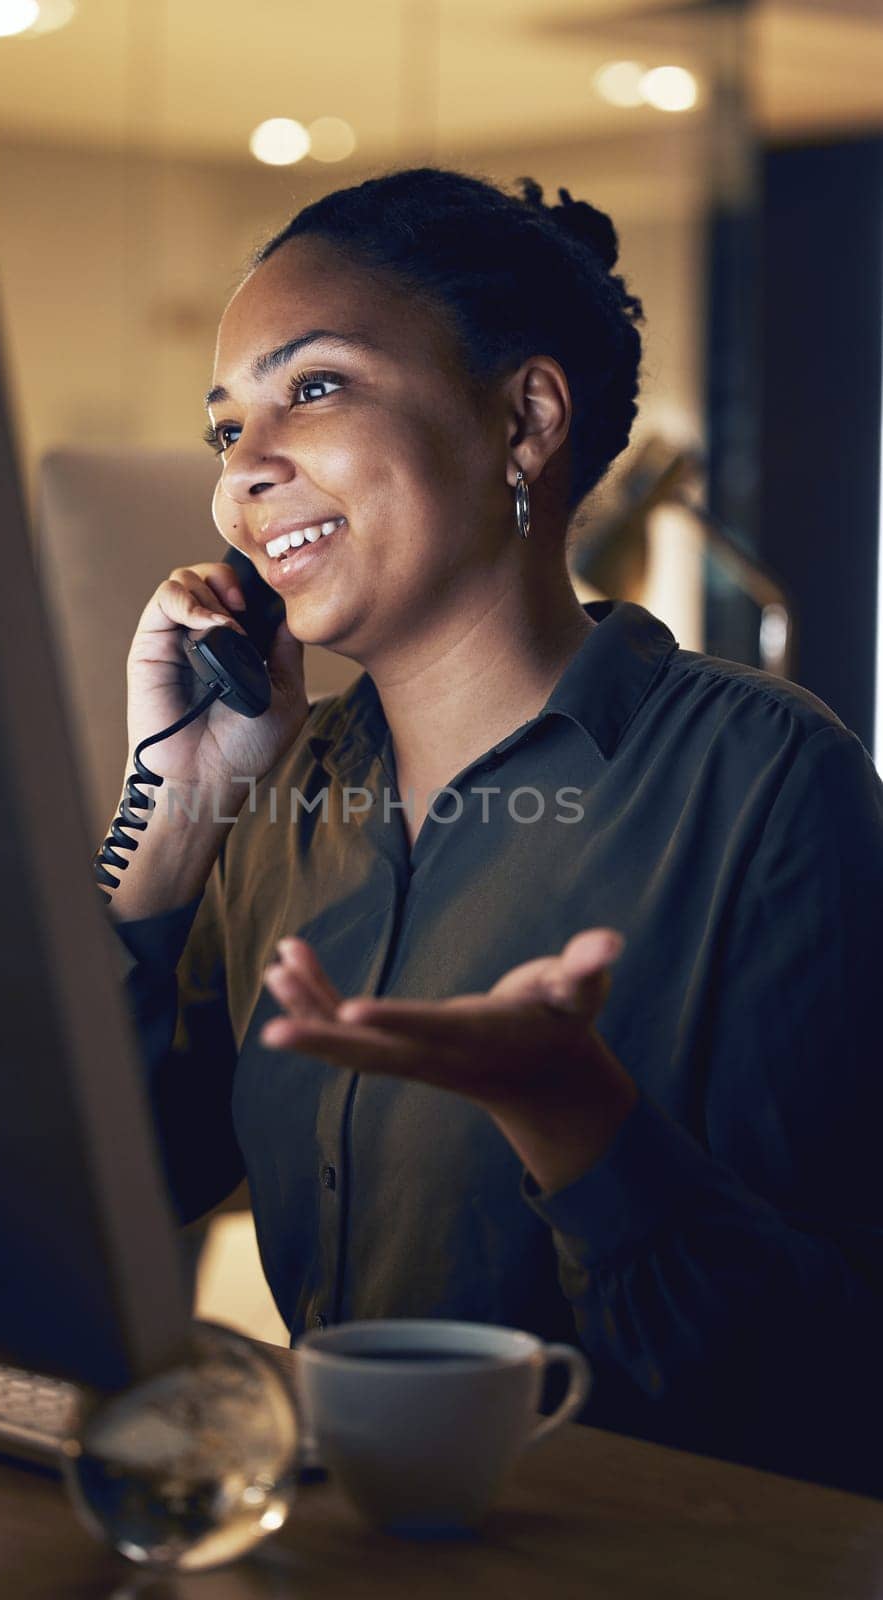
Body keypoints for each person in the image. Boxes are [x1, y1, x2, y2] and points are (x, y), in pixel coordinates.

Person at [101, 168, 883, 1497]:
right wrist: (170, 817)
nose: (246, 470)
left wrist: (577, 1121)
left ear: (525, 418)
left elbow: (830, 1380)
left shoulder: (766, 782)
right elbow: (109, 1189)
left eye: (317, 387)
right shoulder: (283, 797)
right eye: (228, 424)